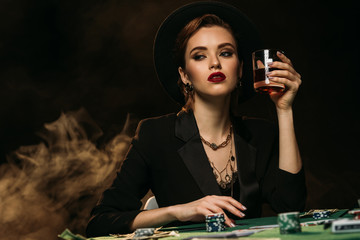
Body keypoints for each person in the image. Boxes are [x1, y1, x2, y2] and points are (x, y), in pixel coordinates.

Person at [86, 1, 306, 237]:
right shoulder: (155, 134)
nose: (215, 63)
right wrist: (179, 212)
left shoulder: (261, 133)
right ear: (184, 75)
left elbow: (290, 207)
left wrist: (284, 110)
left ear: (241, 69)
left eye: (225, 53)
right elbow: (100, 222)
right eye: (200, 56)